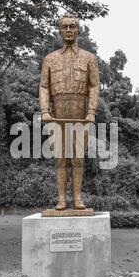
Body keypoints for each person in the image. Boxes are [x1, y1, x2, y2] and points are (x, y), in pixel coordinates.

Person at [38, 14, 100, 210]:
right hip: (57, 114)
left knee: (77, 158)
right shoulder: (50, 59)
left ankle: (77, 198)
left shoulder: (89, 58)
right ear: (59, 30)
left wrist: (91, 111)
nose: (68, 30)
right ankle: (62, 199)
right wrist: (45, 110)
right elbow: (44, 87)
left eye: (72, 26)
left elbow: (94, 86)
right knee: (60, 158)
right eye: (64, 27)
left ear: (78, 30)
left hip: (80, 113)